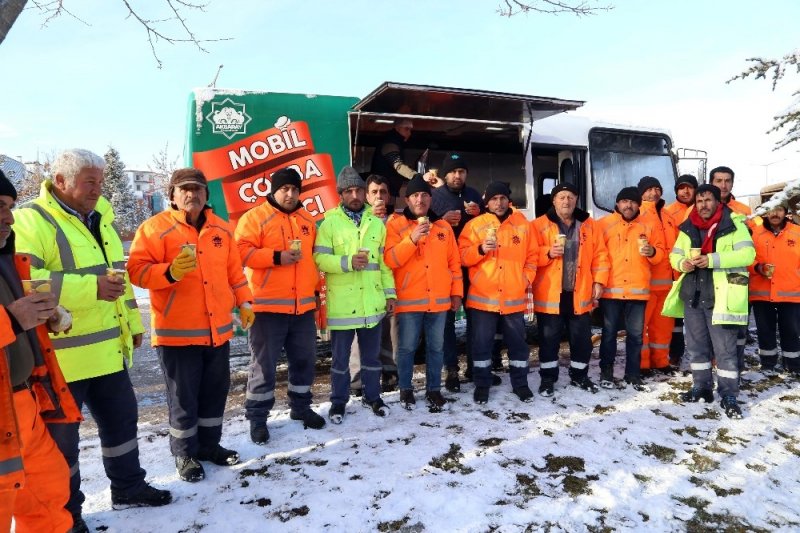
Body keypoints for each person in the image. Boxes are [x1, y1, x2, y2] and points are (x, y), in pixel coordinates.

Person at [13, 149, 172, 524]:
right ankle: (66, 514)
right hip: (61, 360)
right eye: (89, 181)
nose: (98, 189)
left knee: (121, 425)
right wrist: (91, 289)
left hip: (107, 352)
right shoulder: (31, 221)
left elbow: (118, 280)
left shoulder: (102, 220)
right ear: (61, 180)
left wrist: (132, 326)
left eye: (100, 181)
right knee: (60, 446)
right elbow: (25, 281)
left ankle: (129, 488)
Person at [128, 168, 254, 482]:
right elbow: (136, 272)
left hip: (218, 331)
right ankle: (184, 453)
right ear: (171, 194)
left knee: (215, 392)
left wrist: (245, 302)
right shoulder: (154, 229)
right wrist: (169, 272)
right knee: (183, 398)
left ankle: (209, 446)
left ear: (206, 195)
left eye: (198, 189)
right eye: (184, 189)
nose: (191, 194)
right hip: (176, 334)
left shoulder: (221, 230)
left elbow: (235, 275)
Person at [0, 170, 82, 533]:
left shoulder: (6, 260)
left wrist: (43, 321)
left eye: (9, 207)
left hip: (23, 405)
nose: (7, 217)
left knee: (48, 494)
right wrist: (12, 321)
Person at [233, 167, 325, 445]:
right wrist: (276, 256)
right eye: (285, 189)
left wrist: (317, 296)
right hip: (266, 309)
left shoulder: (307, 220)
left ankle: (300, 408)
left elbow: (312, 262)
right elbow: (240, 252)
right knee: (263, 366)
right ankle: (258, 419)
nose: (290, 193)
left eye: (295, 189)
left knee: (304, 361)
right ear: (273, 191)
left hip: (302, 308)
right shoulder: (255, 217)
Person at [663, 184, 755, 419]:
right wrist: (682, 263)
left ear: (718, 201)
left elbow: (748, 255)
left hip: (721, 297)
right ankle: (701, 388)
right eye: (700, 200)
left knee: (724, 350)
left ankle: (728, 394)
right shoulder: (688, 226)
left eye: (708, 200)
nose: (704, 205)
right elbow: (674, 254)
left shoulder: (734, 224)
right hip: (693, 296)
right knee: (696, 348)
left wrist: (712, 259)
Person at [313, 167, 396, 423]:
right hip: (343, 305)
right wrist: (347, 262)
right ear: (340, 194)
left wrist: (390, 294)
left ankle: (374, 397)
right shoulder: (329, 224)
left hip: (372, 303)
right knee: (340, 360)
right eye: (349, 191)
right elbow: (319, 259)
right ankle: (338, 402)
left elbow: (383, 264)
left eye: (358, 190)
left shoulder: (377, 224)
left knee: (371, 358)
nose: (355, 195)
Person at [384, 174, 463, 411]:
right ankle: (406, 389)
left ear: (430, 199)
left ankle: (433, 390)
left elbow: (454, 264)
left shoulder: (443, 227)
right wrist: (412, 239)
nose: (420, 199)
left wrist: (456, 293)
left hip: (438, 301)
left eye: (425, 195)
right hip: (409, 301)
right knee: (407, 348)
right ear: (407, 200)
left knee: (436, 348)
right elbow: (390, 260)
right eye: (415, 195)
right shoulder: (396, 225)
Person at [458, 182, 538, 404]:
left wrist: (525, 279)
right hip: (483, 298)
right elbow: (462, 257)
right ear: (487, 202)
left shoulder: (523, 225)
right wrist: (481, 249)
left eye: (503, 198)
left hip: (513, 297)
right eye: (494, 199)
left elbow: (533, 257)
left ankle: (520, 384)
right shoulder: (475, 225)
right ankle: (482, 385)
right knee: (481, 345)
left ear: (509, 200)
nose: (499, 202)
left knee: (518, 346)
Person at [531, 183, 609, 397]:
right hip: (550, 295)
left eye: (570, 197)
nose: (566, 201)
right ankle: (548, 379)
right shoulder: (537, 225)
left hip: (580, 293)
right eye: (562, 197)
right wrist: (547, 253)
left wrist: (599, 282)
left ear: (576, 200)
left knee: (581, 340)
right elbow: (528, 257)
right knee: (549, 341)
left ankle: (580, 375)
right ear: (553, 200)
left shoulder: (589, 225)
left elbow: (601, 256)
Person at [596, 186, 665, 391]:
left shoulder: (649, 225)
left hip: (638, 291)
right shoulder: (603, 225)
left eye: (633, 201)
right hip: (612, 290)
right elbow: (597, 255)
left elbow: (660, 254)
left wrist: (652, 251)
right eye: (624, 201)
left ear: (639, 204)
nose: (629, 205)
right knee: (609, 333)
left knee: (636, 335)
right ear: (617, 204)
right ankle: (606, 371)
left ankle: (633, 374)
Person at [430, 153, 485, 392]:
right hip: (446, 268)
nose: (457, 175)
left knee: (476, 320)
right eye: (452, 171)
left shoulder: (474, 196)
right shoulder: (434, 197)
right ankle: (451, 370)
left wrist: (479, 214)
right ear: (445, 175)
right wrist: (441, 219)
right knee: (447, 324)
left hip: (472, 267)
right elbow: (424, 228)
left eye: (461, 171)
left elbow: (488, 225)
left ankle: (474, 367)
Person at [348, 174, 399, 396]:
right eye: (375, 192)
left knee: (390, 335)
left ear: (389, 197)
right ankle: (358, 382)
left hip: (391, 288)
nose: (379, 196)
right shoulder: (358, 219)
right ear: (366, 196)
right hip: (364, 290)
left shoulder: (397, 221)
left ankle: (390, 374)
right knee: (360, 340)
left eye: (383, 192)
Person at [748, 203, 800, 376]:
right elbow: (745, 258)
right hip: (762, 293)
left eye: (779, 209)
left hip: (791, 293)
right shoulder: (755, 233)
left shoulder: (797, 232)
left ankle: (792, 364)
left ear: (785, 212)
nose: (775, 213)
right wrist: (757, 268)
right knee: (765, 330)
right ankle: (768, 363)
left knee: (791, 330)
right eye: (771, 210)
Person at [709, 166, 751, 372]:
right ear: (711, 183)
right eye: (719, 181)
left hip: (736, 274)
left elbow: (754, 243)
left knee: (737, 323)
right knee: (710, 323)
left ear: (732, 183)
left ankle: (736, 366)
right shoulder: (699, 208)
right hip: (710, 275)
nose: (723, 185)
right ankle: (710, 365)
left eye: (727, 181)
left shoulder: (744, 210)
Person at [637, 176, 679, 375]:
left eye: (657, 188)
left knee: (663, 328)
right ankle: (643, 364)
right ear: (641, 193)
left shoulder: (669, 216)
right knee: (641, 327)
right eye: (648, 189)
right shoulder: (638, 214)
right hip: (646, 283)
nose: (653, 193)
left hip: (668, 284)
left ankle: (661, 361)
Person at [663, 174, 698, 368]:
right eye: (681, 187)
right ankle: (675, 353)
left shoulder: (702, 209)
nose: (685, 191)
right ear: (676, 190)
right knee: (675, 320)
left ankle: (702, 355)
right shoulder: (668, 212)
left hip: (699, 270)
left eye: (689, 187)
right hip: (675, 270)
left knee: (698, 318)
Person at [370, 118, 423, 210]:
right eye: (406, 129)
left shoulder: (394, 142)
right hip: (383, 191)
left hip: (387, 190)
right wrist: (417, 177)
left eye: (410, 130)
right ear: (397, 128)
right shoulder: (391, 143)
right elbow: (398, 166)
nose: (409, 133)